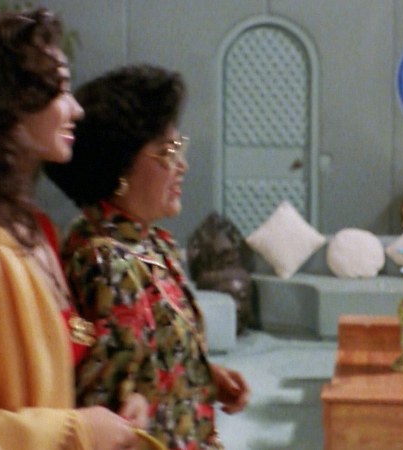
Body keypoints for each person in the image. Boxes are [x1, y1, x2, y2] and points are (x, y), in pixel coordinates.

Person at [0, 8, 145, 450]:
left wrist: (112, 407)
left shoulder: (35, 228)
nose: (76, 109)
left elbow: (59, 363)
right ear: (3, 103)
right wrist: (76, 431)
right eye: (58, 90)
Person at [45, 64, 250, 450]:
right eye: (168, 152)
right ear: (120, 169)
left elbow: (147, 362)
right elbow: (109, 411)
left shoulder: (151, 242)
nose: (182, 165)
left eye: (180, 147)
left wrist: (201, 375)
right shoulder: (107, 263)